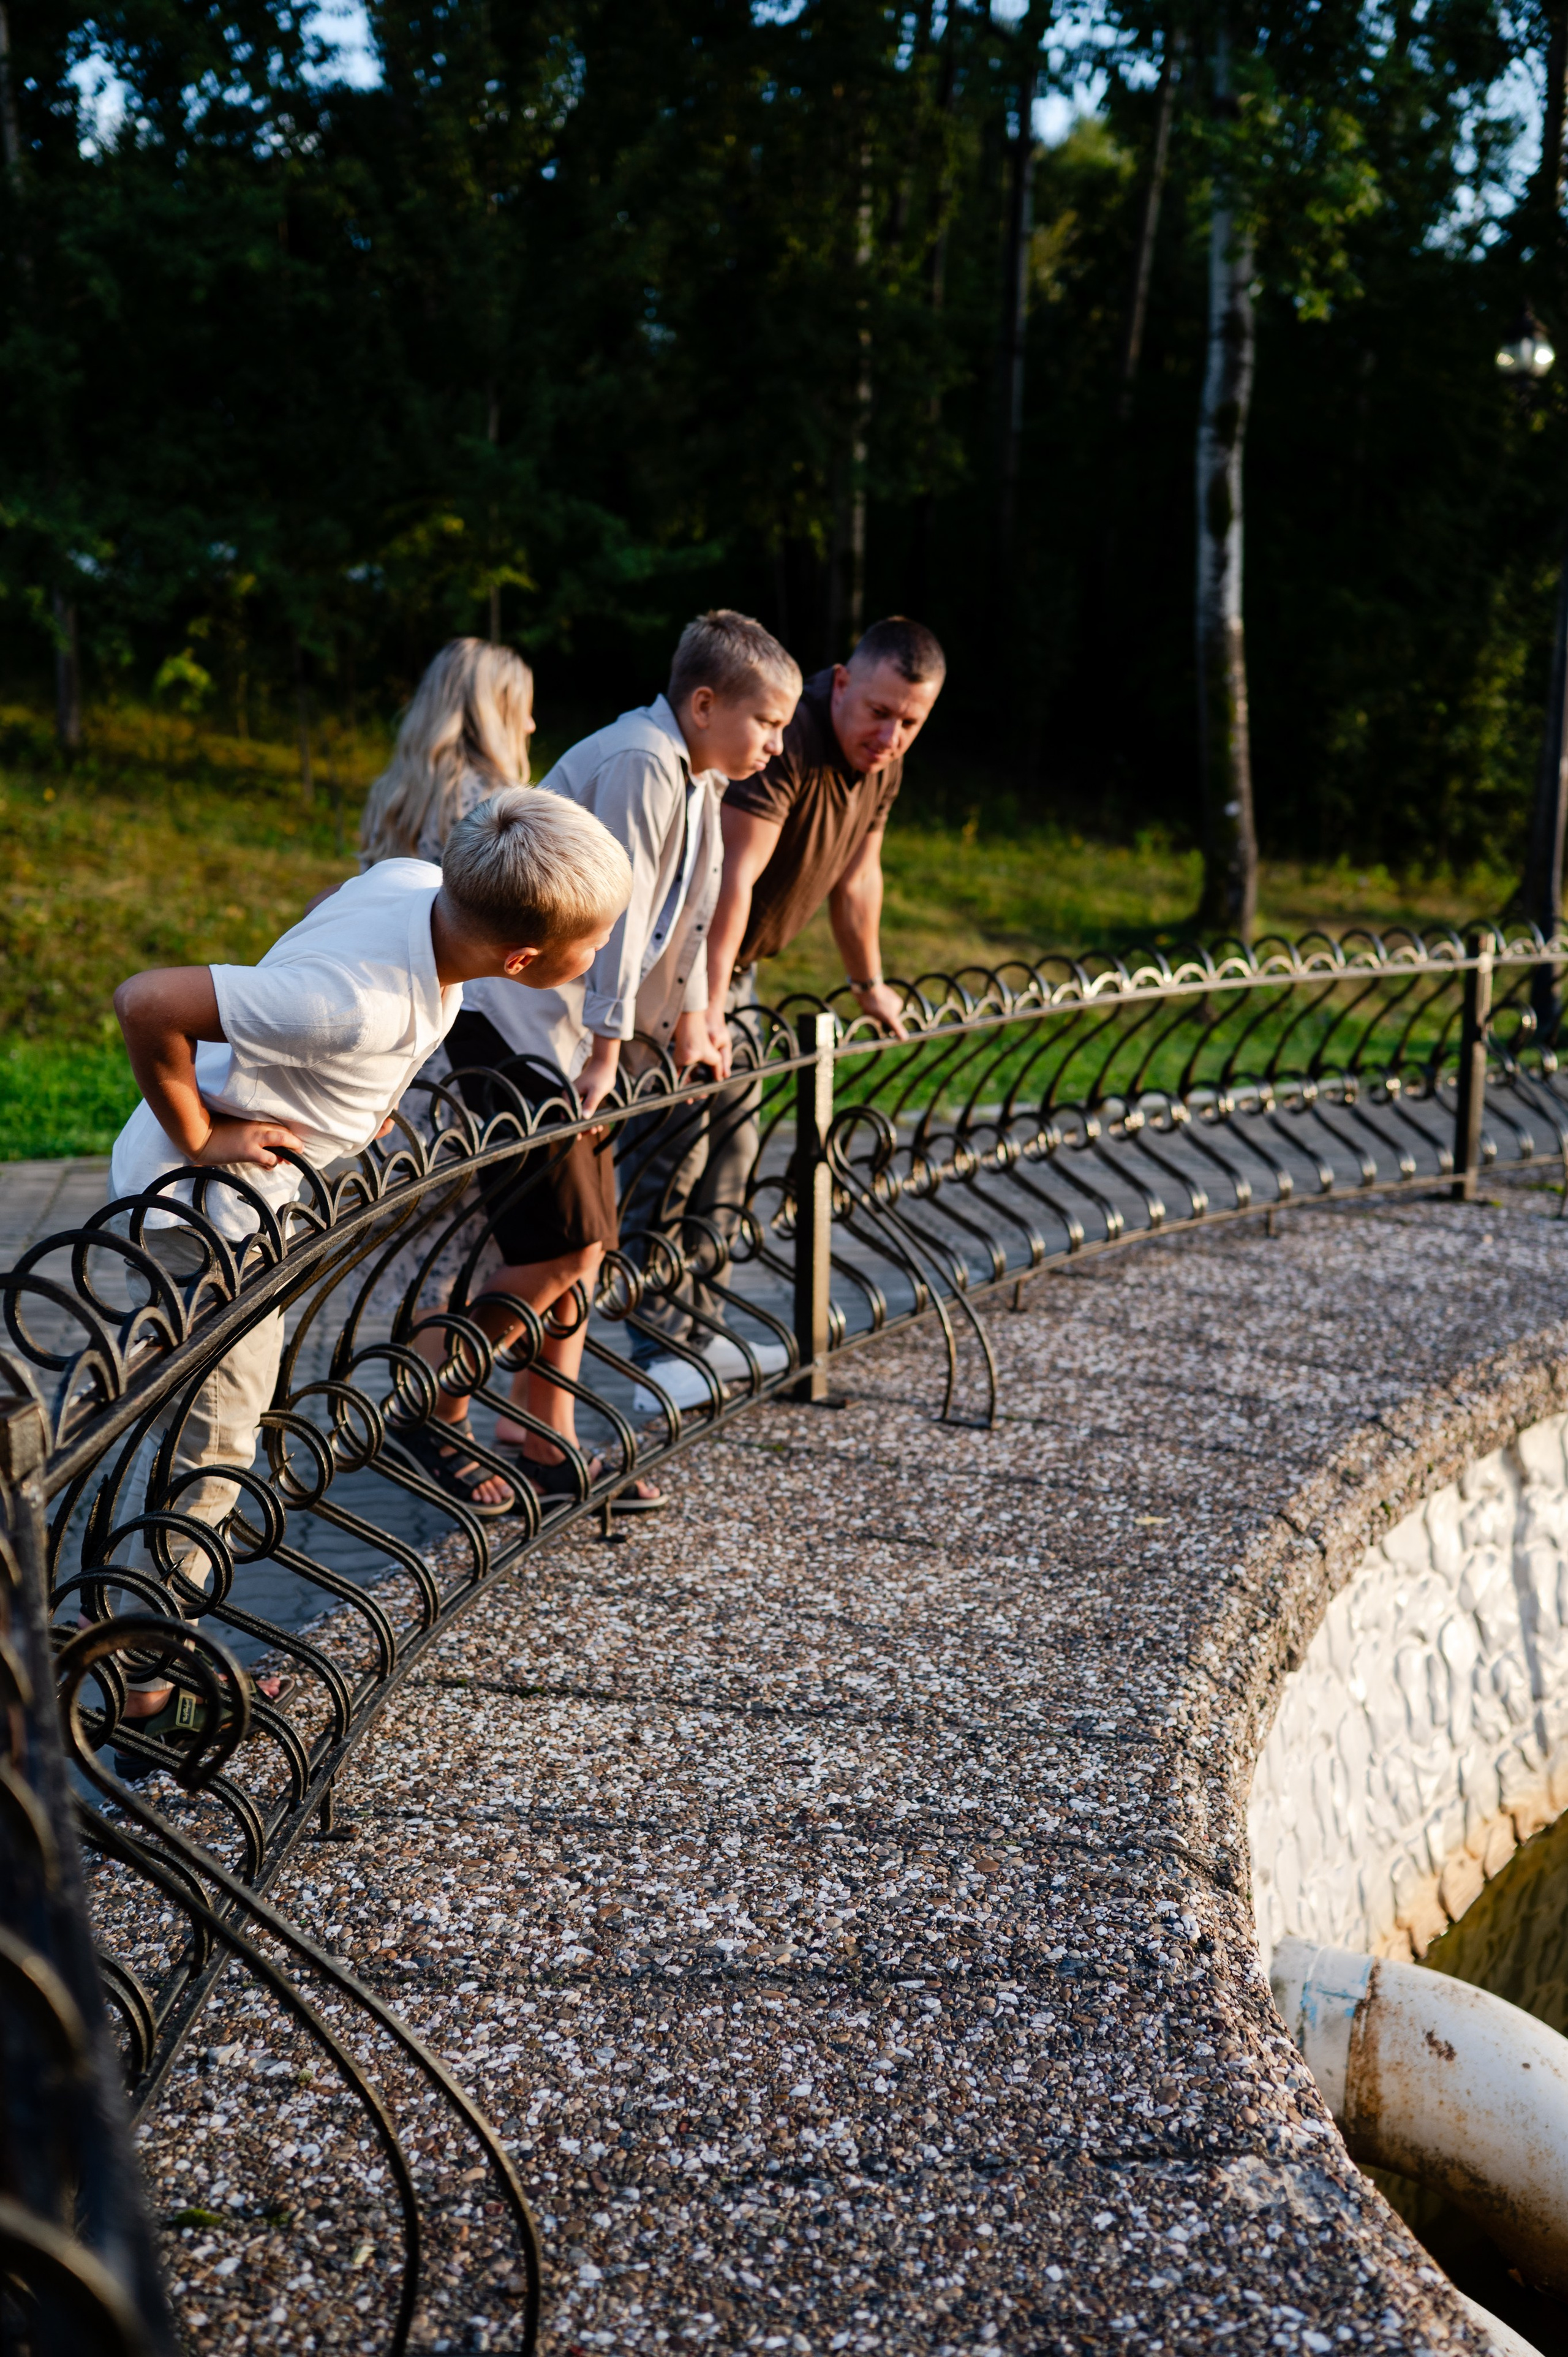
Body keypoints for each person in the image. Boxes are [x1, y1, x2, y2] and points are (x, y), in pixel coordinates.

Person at [101, 788, 631, 1760]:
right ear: (523, 962)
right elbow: (149, 1001)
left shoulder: (419, 887)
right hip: (205, 1225)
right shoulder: (355, 1006)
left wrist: (356, 1102)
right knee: (214, 1450)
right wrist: (203, 1133)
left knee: (202, 1429)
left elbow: (349, 958)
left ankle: (139, 1639)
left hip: (242, 1204)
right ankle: (139, 1688)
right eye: (592, 947)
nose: (595, 960)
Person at [450, 609, 801, 1496]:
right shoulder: (643, 761)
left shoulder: (697, 774)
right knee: (564, 1246)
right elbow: (624, 919)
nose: (778, 743)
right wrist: (609, 1057)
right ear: (706, 702)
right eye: (768, 722)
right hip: (522, 1028)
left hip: (571, 1037)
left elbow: (693, 914)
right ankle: (431, 1389)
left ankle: (543, 1432)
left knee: (589, 1248)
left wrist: (697, 1017)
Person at [628, 614, 946, 1402]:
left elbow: (859, 878)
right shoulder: (785, 739)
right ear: (839, 682)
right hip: (684, 968)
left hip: (739, 978)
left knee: (734, 1151)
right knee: (674, 1149)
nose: (891, 733)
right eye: (878, 711)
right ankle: (653, 1350)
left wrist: (869, 982)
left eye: (911, 721)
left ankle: (702, 1330)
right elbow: (728, 882)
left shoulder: (881, 762)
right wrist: (701, 1006)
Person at [359, 636, 537, 865]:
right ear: (490, 718)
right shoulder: (498, 806)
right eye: (519, 711)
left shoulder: (393, 791)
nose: (530, 725)